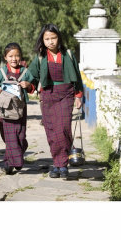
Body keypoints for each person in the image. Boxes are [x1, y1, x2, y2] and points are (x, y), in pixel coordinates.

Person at [28, 23, 83, 178]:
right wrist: (27, 85)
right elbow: (31, 77)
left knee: (63, 129)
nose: (50, 42)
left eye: (53, 38)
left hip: (66, 94)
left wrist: (78, 96)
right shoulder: (40, 57)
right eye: (47, 39)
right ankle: (58, 163)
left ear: (59, 38)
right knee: (51, 131)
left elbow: (77, 77)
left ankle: (62, 163)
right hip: (47, 96)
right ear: (43, 40)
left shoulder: (68, 55)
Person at [0, 43, 35, 174]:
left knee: (20, 136)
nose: (14, 59)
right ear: (5, 57)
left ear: (21, 57)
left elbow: (32, 88)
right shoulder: (1, 72)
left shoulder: (25, 72)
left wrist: (27, 85)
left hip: (21, 109)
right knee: (9, 136)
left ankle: (10, 161)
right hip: (5, 109)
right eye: (10, 56)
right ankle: (13, 162)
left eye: (17, 56)